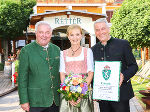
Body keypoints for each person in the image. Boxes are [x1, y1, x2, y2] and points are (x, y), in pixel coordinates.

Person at [91, 18, 138, 112]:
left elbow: (134, 66)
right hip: (103, 97)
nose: (100, 32)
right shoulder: (93, 50)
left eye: (103, 28)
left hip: (121, 95)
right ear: (95, 32)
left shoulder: (123, 44)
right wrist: (95, 91)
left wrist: (123, 76)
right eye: (97, 30)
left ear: (108, 29)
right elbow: (93, 72)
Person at [18, 21, 60, 112]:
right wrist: (24, 100)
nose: (44, 35)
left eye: (47, 32)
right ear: (36, 33)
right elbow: (22, 78)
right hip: (35, 101)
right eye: (41, 32)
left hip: (55, 101)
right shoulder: (26, 51)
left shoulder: (56, 49)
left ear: (51, 34)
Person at [59, 24, 94, 112]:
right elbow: (62, 74)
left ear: (81, 36)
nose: (75, 38)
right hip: (68, 94)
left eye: (77, 34)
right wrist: (68, 94)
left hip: (84, 93)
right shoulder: (63, 53)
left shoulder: (88, 51)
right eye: (72, 35)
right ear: (68, 36)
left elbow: (90, 73)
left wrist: (81, 93)